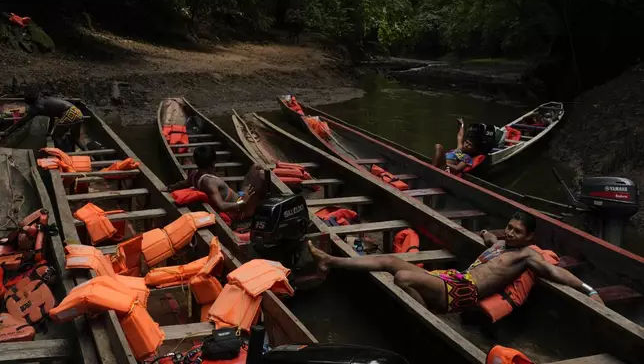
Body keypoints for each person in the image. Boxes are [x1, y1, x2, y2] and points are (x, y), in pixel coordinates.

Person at [308, 211, 604, 314]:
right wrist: (487, 232)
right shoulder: (502, 242)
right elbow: (490, 239)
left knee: (403, 278)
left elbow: (555, 272)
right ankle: (330, 261)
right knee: (389, 260)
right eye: (510, 228)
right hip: (454, 278)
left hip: (465, 292)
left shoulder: (527, 255)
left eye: (518, 232)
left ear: (530, 237)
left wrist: (589, 290)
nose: (511, 233)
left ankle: (427, 317)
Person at [161, 145, 264, 217]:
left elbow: (181, 184)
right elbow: (222, 206)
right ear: (214, 162)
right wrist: (242, 202)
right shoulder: (210, 183)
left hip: (239, 196)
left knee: (255, 168)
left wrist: (168, 188)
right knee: (261, 175)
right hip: (240, 208)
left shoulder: (194, 175)